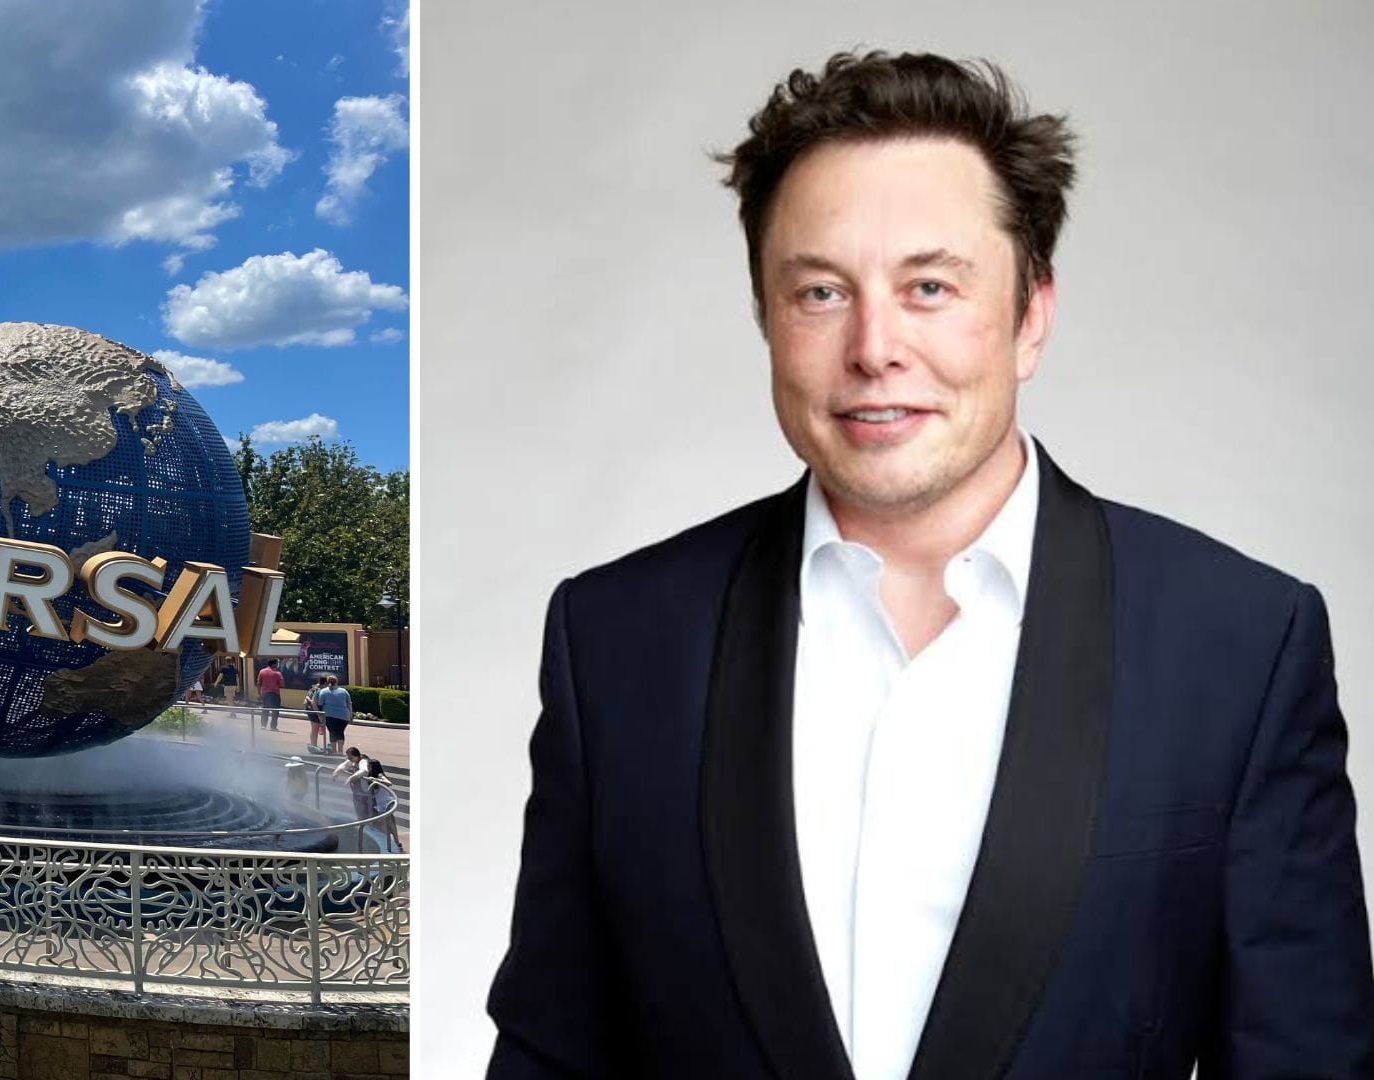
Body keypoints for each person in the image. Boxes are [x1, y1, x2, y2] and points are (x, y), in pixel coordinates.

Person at [486, 50, 1373, 1079]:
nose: (875, 347)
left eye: (931, 287)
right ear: (767, 317)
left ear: (1031, 315)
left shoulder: (1241, 646)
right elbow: (551, 1055)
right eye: (822, 291)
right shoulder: (615, 641)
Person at [365, 757, 400, 853]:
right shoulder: (371, 775)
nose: (368, 768)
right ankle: (395, 842)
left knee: (388, 824)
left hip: (385, 803)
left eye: (369, 766)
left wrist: (375, 780)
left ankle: (392, 844)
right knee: (388, 824)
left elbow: (389, 783)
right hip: (380, 803)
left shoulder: (380, 775)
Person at [318, 676, 354, 757]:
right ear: (337, 682)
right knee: (340, 732)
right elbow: (349, 704)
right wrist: (351, 716)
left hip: (329, 715)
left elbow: (320, 704)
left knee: (332, 732)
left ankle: (334, 751)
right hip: (343, 716)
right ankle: (340, 751)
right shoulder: (344, 691)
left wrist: (320, 716)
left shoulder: (324, 691)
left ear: (327, 682)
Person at [255, 658, 285, 732]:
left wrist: (259, 693)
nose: (278, 664)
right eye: (277, 663)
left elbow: (258, 683)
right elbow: (282, 684)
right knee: (275, 711)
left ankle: (263, 725)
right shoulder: (277, 673)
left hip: (265, 694)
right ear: (274, 664)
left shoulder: (262, 671)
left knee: (265, 710)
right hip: (275, 694)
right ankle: (273, 727)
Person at [303, 672, 327, 752]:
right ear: (325, 682)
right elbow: (313, 702)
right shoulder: (319, 690)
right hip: (314, 710)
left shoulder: (314, 687)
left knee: (315, 728)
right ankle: (313, 745)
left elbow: (307, 697)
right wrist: (319, 714)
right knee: (315, 728)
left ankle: (314, 745)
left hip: (310, 709)